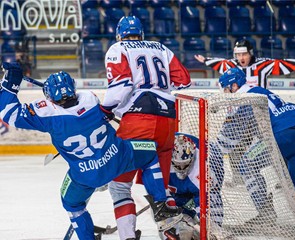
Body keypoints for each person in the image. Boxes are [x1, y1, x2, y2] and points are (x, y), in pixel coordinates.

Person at [0, 62, 182, 240]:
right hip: (116, 158)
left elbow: (8, 113)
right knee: (150, 151)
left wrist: (10, 86)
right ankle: (160, 202)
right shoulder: (89, 98)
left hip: (85, 175)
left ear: (49, 97)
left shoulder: (46, 113)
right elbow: (96, 111)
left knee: (72, 203)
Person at [101, 15, 191, 239]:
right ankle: (172, 235)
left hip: (139, 123)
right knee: (161, 186)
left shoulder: (118, 48)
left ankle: (127, 236)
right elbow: (185, 82)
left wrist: (105, 110)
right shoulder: (161, 48)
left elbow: (122, 85)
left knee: (119, 186)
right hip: (168, 122)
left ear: (119, 34)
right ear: (141, 34)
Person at [218, 67, 295, 217]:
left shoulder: (243, 98)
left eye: (226, 89)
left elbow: (230, 138)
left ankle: (266, 214)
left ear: (234, 86)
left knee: (246, 163)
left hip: (282, 135)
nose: (225, 94)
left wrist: (213, 148)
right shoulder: (259, 90)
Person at [168, 133, 225, 240]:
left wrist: (207, 226)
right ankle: (187, 216)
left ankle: (214, 227)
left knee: (210, 195)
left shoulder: (204, 166)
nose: (181, 169)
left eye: (185, 164)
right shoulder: (163, 159)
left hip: (211, 160)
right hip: (175, 151)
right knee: (177, 202)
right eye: (177, 165)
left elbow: (204, 198)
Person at [194, 39, 295, 88]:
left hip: (260, 107)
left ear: (250, 53)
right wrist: (205, 60)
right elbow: (219, 63)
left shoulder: (264, 64)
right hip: (239, 109)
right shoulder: (230, 65)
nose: (241, 57)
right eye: (238, 55)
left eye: (244, 54)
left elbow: (285, 64)